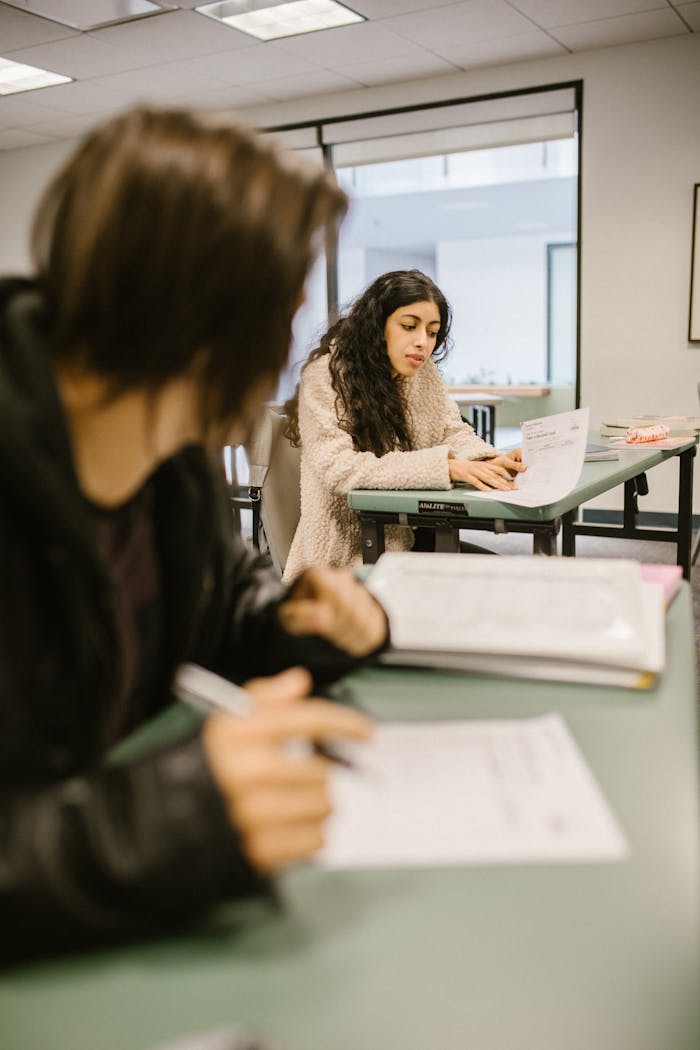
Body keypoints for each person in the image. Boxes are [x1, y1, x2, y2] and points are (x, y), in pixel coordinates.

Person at [0, 106, 389, 964]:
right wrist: (164, 823)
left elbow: (206, 614)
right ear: (198, 315)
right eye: (279, 314)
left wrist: (293, 621)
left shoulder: (167, 446)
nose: (287, 347)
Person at [283, 270, 526, 581]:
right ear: (376, 325)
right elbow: (340, 468)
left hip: (404, 537)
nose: (422, 342)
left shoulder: (424, 375)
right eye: (409, 326)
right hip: (340, 558)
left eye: (433, 332)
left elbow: (452, 430)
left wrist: (488, 460)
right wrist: (447, 467)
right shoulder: (325, 378)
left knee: (509, 577)